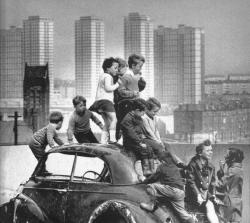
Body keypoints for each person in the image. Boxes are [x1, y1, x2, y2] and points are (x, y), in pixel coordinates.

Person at [140, 151, 195, 223]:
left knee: (151, 186)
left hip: (172, 190)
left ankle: (151, 206)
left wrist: (144, 181)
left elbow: (153, 178)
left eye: (159, 161)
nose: (159, 163)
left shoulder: (162, 167)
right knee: (183, 214)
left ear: (162, 161)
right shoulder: (175, 167)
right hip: (180, 193)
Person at [185, 139, 219, 223]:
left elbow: (213, 183)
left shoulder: (211, 166)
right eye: (208, 150)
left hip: (206, 196)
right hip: (193, 196)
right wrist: (198, 195)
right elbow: (190, 182)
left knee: (211, 208)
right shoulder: (193, 164)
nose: (211, 152)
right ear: (200, 153)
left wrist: (213, 195)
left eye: (211, 150)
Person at [89, 57, 121, 143]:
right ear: (108, 68)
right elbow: (108, 88)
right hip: (106, 102)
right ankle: (112, 139)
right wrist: (118, 84)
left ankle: (103, 141)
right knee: (114, 120)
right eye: (115, 68)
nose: (117, 70)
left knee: (107, 123)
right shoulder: (108, 76)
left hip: (98, 102)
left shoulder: (102, 76)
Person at [120, 98, 154, 177]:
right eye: (143, 112)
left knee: (150, 149)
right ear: (137, 110)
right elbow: (131, 134)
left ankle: (152, 170)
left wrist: (142, 137)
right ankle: (146, 171)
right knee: (144, 149)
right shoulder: (127, 120)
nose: (143, 114)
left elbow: (140, 130)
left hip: (138, 140)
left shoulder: (137, 117)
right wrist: (140, 142)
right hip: (130, 142)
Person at [216, 148, 244, 223]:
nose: (225, 157)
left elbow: (220, 185)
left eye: (227, 155)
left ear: (233, 158)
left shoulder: (232, 170)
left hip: (229, 202)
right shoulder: (239, 169)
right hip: (237, 201)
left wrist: (221, 171)